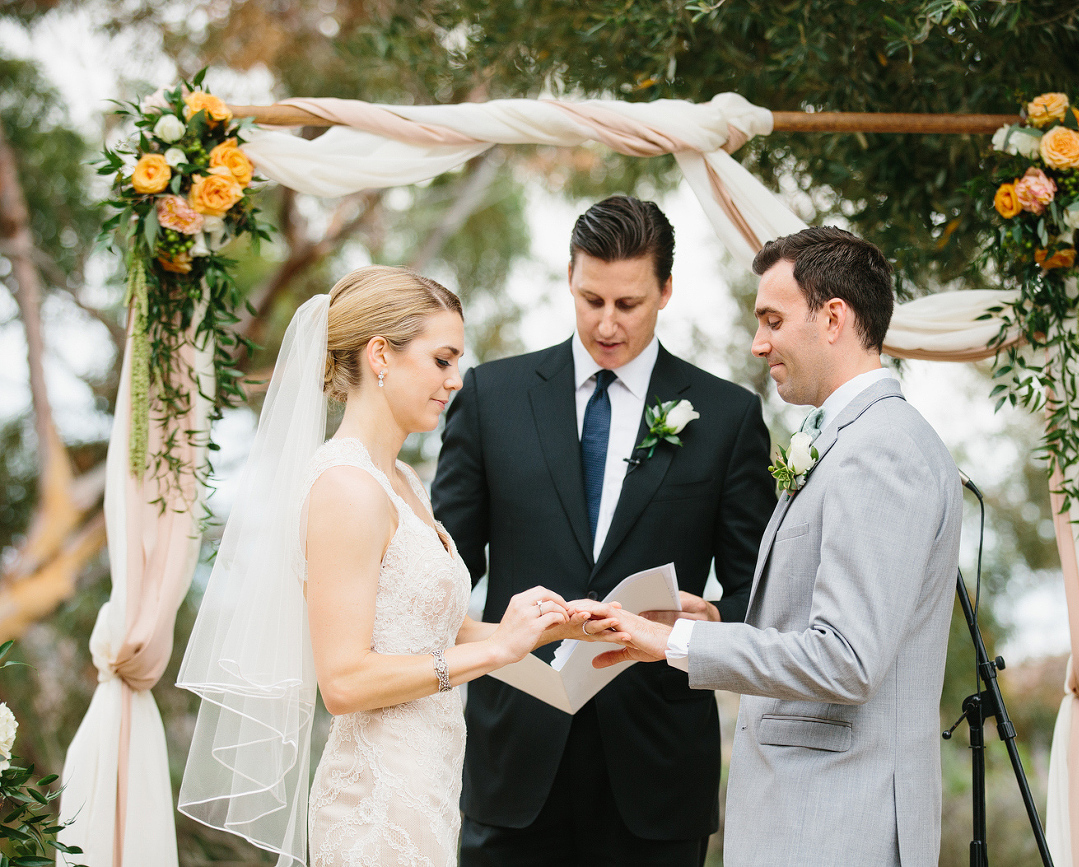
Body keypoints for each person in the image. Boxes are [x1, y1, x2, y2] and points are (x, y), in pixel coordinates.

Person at [177, 266, 619, 867]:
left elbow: (430, 628)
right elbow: (344, 682)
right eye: (442, 360)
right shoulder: (346, 488)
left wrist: (564, 626)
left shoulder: (403, 481)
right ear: (380, 354)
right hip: (372, 805)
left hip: (426, 789)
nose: (456, 381)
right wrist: (499, 652)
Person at [582, 227, 963, 866]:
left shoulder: (880, 451)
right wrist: (711, 618)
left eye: (773, 320)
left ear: (834, 318)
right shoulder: (851, 439)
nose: (759, 343)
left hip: (839, 828)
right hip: (814, 821)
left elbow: (846, 659)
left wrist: (671, 644)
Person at [431, 196, 776, 866]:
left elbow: (760, 597)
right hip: (515, 760)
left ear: (666, 290)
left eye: (628, 303)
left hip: (656, 772)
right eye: (591, 299)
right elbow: (443, 579)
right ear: (568, 276)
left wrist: (706, 617)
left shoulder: (728, 416)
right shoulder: (490, 397)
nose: (607, 323)